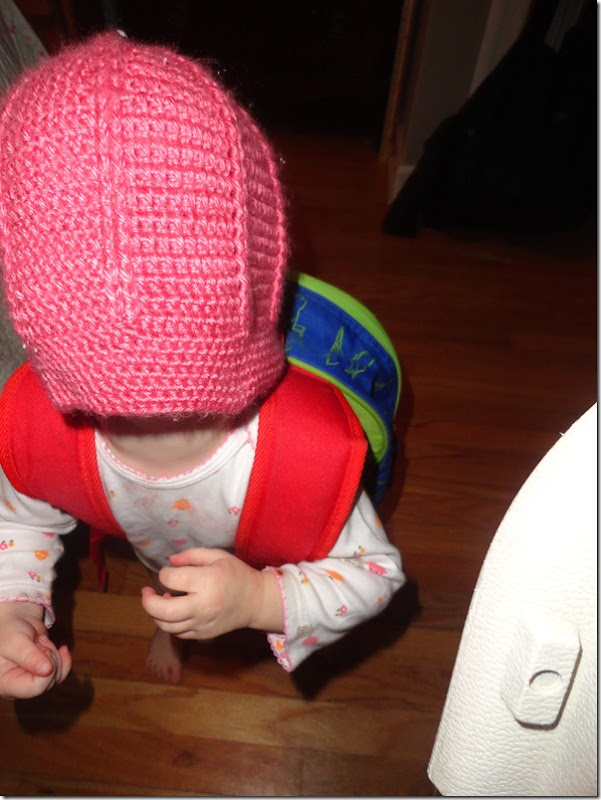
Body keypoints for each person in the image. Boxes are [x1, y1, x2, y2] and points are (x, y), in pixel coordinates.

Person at [0, 31, 405, 700]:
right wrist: (13, 606)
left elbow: (376, 575)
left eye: (178, 403)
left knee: (208, 579)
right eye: (107, 404)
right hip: (156, 538)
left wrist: (258, 601)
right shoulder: (40, 427)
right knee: (171, 574)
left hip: (268, 527)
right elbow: (19, 522)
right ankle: (175, 626)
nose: (143, 427)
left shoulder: (302, 451)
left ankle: (209, 607)